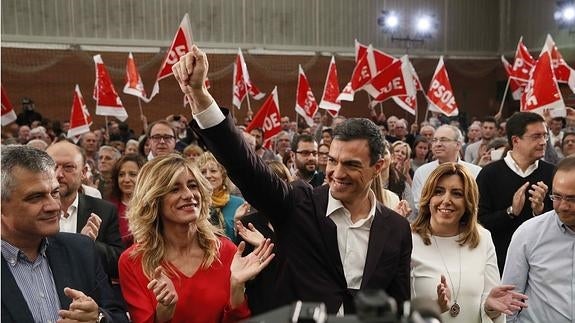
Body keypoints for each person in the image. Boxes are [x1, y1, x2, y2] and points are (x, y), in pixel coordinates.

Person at [173, 46, 412, 314]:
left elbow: (399, 305)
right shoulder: (299, 204)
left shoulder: (396, 229)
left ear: (377, 167)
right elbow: (246, 167)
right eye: (332, 161)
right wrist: (199, 95)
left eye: (351, 165)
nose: (337, 172)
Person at [118, 154, 274, 323]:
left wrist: (237, 288)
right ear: (153, 199)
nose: (188, 195)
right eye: (174, 189)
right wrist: (163, 313)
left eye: (192, 186)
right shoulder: (132, 261)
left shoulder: (227, 251)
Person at [1, 145, 128, 323]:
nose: (53, 206)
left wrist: (98, 318)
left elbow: (119, 316)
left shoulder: (82, 250)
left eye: (55, 193)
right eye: (36, 197)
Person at [411, 163, 528, 323]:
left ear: (468, 202)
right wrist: (435, 309)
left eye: (457, 194)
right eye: (438, 192)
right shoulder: (408, 239)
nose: (446, 200)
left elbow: (492, 311)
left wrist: (490, 308)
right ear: (428, 197)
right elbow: (397, 308)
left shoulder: (483, 238)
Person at [476, 112, 554, 274]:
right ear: (515, 140)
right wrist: (510, 212)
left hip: (542, 264)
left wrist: (539, 211)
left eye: (545, 136)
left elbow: (563, 224)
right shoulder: (489, 174)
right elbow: (478, 224)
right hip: (498, 264)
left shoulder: (552, 173)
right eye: (536, 136)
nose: (543, 142)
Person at [502, 156, 575, 322]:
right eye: (556, 197)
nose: (563, 206)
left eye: (572, 199)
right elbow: (509, 300)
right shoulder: (529, 234)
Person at [46, 141, 124, 281]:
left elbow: (118, 265)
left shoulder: (103, 211)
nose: (59, 174)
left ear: (83, 173)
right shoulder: (32, 211)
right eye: (52, 167)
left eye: (68, 167)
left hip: (89, 296)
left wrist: (89, 244)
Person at [412, 125, 482, 214]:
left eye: (443, 140)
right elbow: (418, 205)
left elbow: (477, 205)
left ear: (458, 145)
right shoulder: (422, 172)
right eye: (435, 140)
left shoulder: (475, 172)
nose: (437, 144)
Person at [197, 151, 245, 241]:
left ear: (223, 174)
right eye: (203, 172)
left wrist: (237, 223)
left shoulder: (238, 203)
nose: (208, 175)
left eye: (213, 171)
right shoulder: (195, 203)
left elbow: (244, 240)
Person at [106, 154, 146, 247]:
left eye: (132, 174)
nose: (126, 179)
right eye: (121, 175)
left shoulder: (152, 205)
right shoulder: (108, 207)